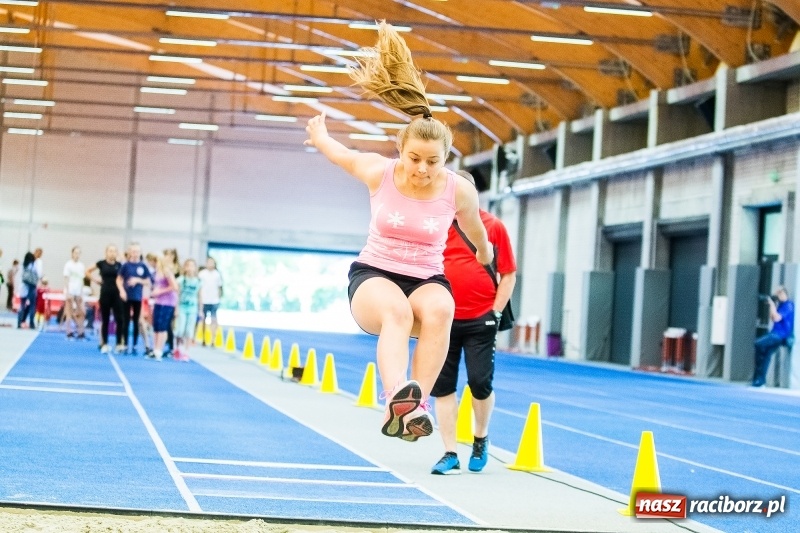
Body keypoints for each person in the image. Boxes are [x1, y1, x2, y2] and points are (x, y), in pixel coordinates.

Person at [304, 21, 493, 442]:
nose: (422, 170)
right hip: (374, 275)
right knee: (398, 313)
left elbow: (475, 228)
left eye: (433, 162)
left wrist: (484, 254)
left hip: (426, 277)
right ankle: (395, 397)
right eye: (414, 159)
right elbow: (343, 155)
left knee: (442, 309)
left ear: (446, 158)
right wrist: (321, 137)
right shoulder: (380, 173)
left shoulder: (458, 189)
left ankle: (414, 409)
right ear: (400, 149)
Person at [429, 170, 517, 474]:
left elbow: (508, 273)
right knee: (443, 387)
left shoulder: (493, 227)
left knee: (480, 383)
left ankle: (480, 438)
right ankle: (450, 452)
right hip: (443, 319)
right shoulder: (437, 226)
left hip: (481, 318)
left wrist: (496, 311)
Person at [752, 286, 794, 387]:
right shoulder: (780, 305)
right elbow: (772, 317)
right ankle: (760, 380)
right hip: (774, 333)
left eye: (779, 293)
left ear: (783, 293)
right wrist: (773, 305)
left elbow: (776, 318)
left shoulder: (789, 305)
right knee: (766, 355)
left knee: (758, 344)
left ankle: (759, 378)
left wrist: (771, 304)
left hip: (780, 335)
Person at [87, 245, 125, 354]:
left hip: (117, 295)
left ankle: (119, 343)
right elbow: (87, 271)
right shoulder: (101, 263)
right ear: (106, 252)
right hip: (105, 294)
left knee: (119, 319)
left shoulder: (119, 265)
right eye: (110, 251)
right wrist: (95, 280)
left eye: (114, 251)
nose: (112, 253)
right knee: (105, 319)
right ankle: (104, 343)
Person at [117, 242, 152, 354]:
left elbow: (148, 281)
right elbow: (119, 279)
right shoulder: (125, 266)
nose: (135, 253)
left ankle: (135, 344)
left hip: (137, 297)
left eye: (137, 251)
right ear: (129, 252)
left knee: (137, 321)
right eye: (133, 251)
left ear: (140, 252)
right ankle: (125, 343)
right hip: (126, 297)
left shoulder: (143, 266)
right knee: (125, 320)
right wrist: (122, 290)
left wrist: (138, 280)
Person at [149, 254, 178, 361]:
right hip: (159, 301)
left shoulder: (167, 271)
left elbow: (174, 286)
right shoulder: (157, 272)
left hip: (168, 302)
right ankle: (155, 348)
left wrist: (160, 291)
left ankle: (159, 350)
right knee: (156, 325)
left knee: (162, 326)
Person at [174, 258, 202, 361]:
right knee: (180, 330)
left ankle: (186, 351)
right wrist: (176, 308)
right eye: (188, 266)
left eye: (192, 266)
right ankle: (178, 347)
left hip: (192, 307)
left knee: (189, 330)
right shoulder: (181, 280)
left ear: (195, 268)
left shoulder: (198, 281)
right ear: (185, 268)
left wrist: (200, 310)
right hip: (182, 307)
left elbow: (200, 296)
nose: (190, 268)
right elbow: (177, 294)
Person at [63, 246, 87, 340]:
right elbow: (66, 279)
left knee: (81, 311)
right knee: (69, 312)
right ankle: (69, 332)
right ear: (72, 253)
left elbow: (82, 280)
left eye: (79, 253)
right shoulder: (68, 265)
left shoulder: (81, 265)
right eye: (75, 253)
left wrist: (81, 292)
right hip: (70, 290)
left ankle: (81, 332)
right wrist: (68, 292)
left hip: (78, 291)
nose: (77, 255)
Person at [198, 256, 223, 347]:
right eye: (209, 262)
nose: (210, 264)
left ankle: (213, 339)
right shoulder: (202, 274)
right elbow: (199, 287)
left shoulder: (217, 274)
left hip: (214, 300)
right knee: (204, 320)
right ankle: (204, 338)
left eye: (212, 262)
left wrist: (219, 298)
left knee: (213, 320)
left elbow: (220, 287)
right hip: (204, 300)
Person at [17, 252, 38, 329]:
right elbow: (37, 274)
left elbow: (20, 276)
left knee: (22, 305)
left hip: (23, 287)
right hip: (31, 287)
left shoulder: (22, 265)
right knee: (32, 306)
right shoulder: (33, 265)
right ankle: (31, 322)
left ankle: (19, 322)